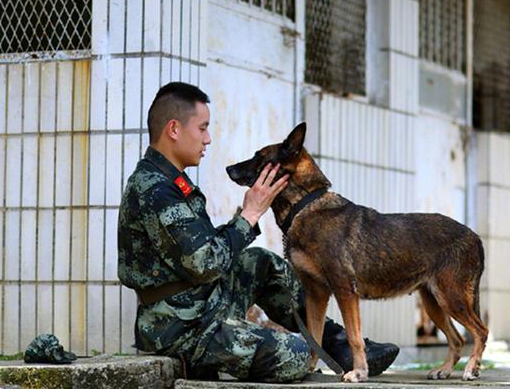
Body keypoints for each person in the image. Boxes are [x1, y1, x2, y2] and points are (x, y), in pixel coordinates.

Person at [118, 82, 399, 382]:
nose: (208, 138)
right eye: (202, 128)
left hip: (200, 302)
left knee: (262, 264)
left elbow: (204, 253)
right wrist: (249, 215)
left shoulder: (172, 182)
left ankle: (338, 345)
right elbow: (204, 263)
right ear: (174, 129)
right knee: (297, 355)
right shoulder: (156, 189)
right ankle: (202, 361)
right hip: (178, 327)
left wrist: (247, 217)